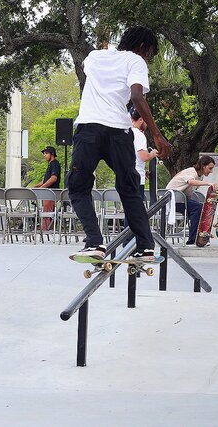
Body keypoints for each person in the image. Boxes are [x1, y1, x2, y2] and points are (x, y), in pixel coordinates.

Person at [68, 25, 171, 262]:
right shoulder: (136, 61)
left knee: (78, 185)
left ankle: (94, 243)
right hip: (118, 132)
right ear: (142, 47)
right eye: (149, 54)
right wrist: (157, 134)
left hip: (89, 130)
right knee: (129, 187)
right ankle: (145, 247)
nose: (147, 58)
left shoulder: (94, 57)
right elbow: (136, 96)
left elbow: (92, 70)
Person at [166, 155, 217, 246]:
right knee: (198, 208)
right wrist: (208, 183)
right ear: (203, 166)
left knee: (201, 207)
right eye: (210, 168)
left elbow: (188, 193)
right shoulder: (191, 172)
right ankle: (193, 239)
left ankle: (200, 235)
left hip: (180, 200)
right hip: (171, 201)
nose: (211, 171)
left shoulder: (200, 176)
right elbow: (190, 182)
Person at [131, 111, 160, 199]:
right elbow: (143, 157)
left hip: (124, 176)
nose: (147, 125)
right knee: (137, 207)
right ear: (141, 120)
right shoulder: (139, 135)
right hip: (137, 177)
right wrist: (152, 154)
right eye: (147, 121)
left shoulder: (126, 133)